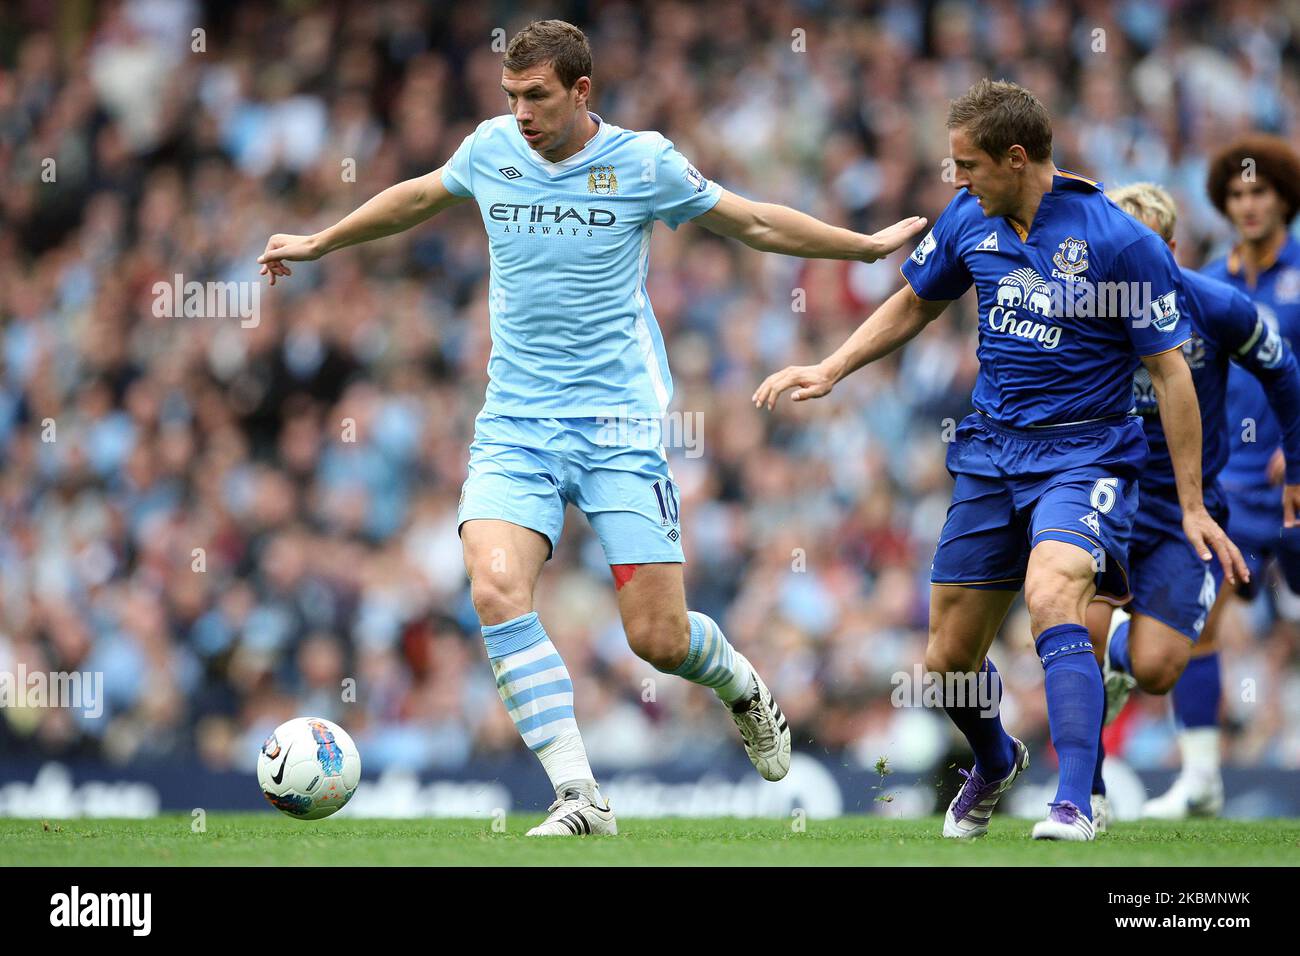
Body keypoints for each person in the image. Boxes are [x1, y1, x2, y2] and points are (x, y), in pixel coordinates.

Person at [257, 19, 927, 836]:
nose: (521, 112)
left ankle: (739, 685)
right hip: (516, 424)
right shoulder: (492, 148)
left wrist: (861, 250)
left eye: (536, 96)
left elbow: (748, 221)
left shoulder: (642, 163)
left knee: (659, 640)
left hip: (619, 429)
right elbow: (421, 195)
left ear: (581, 92)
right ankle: (580, 796)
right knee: (495, 587)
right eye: (510, 96)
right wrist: (323, 241)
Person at [754, 79, 1246, 842]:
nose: (956, 181)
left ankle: (1076, 801)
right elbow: (916, 300)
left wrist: (1186, 504)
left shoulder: (1119, 241)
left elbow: (1172, 373)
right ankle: (994, 759)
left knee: (1055, 594)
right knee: (948, 657)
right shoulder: (969, 220)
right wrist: (832, 366)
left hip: (1087, 454)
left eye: (967, 165)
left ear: (1016, 159)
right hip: (989, 453)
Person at [1086, 183, 1300, 831]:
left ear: (1170, 248)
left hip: (1190, 510)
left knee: (1155, 669)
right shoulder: (1077, 310)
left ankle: (1130, 660)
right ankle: (1082, 792)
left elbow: (1283, 368)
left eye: (1144, 243)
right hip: (1102, 501)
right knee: (1073, 626)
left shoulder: (1212, 305)